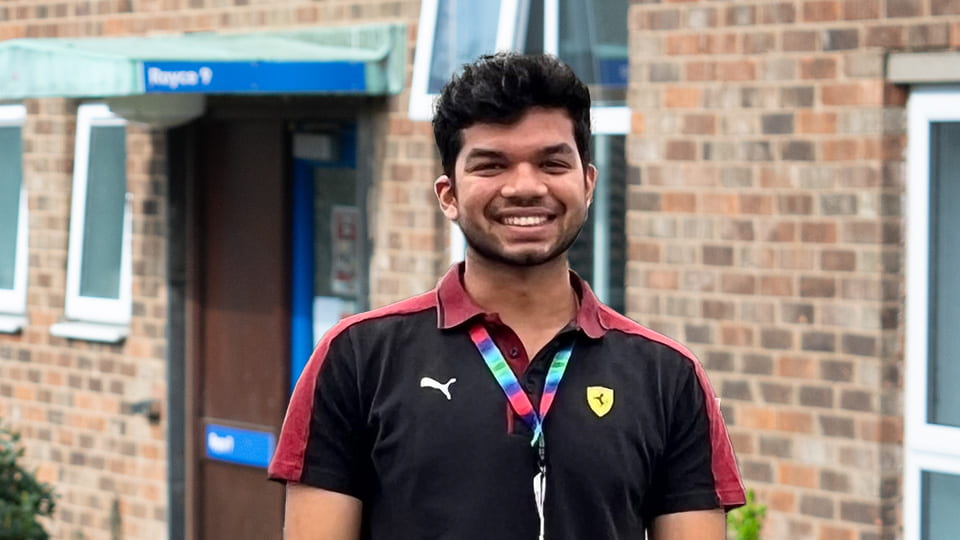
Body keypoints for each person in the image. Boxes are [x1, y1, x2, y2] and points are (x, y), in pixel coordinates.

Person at [268, 52, 745, 539]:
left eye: (552, 162)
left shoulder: (667, 376)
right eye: (491, 165)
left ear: (588, 182)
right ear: (448, 194)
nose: (524, 187)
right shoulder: (357, 358)